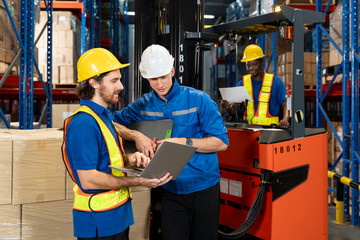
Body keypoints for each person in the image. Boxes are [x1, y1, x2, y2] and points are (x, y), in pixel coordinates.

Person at [113, 44, 229, 240]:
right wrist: (136, 136)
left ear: (172, 71)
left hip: (204, 187)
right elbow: (110, 123)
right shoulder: (142, 105)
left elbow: (221, 142)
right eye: (153, 79)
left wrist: (184, 142)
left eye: (163, 77)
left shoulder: (199, 100)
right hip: (169, 189)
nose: (159, 84)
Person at [61, 48, 172, 240]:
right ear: (94, 83)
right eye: (114, 81)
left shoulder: (104, 117)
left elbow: (106, 161)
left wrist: (130, 159)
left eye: (119, 79)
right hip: (98, 224)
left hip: (116, 218)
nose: (121, 86)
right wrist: (141, 181)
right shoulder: (83, 124)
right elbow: (89, 179)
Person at [221, 44, 289, 127]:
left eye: (254, 64)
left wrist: (285, 119)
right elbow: (235, 111)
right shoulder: (242, 84)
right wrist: (228, 107)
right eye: (248, 65)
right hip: (248, 131)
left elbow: (286, 104)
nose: (251, 68)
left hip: (271, 131)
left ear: (262, 63)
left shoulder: (276, 82)